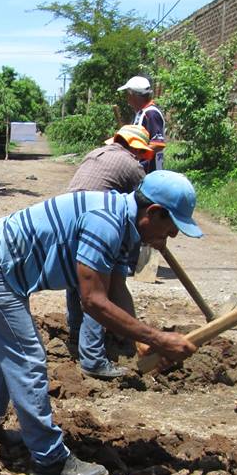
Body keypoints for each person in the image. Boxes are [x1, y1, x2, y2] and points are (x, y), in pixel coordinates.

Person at [0, 170, 202, 475]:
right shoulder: (106, 222)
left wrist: (144, 342)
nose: (172, 237)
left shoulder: (125, 224)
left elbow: (116, 288)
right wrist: (158, 337)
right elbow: (93, 301)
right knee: (27, 357)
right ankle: (50, 460)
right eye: (171, 228)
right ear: (153, 212)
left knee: (8, 350)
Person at [64, 124, 152, 379]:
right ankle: (93, 357)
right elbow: (145, 206)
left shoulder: (95, 154)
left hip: (72, 220)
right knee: (98, 291)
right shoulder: (133, 166)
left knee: (76, 281)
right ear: (137, 149)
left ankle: (76, 331)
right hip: (99, 224)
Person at [119, 76, 166, 172]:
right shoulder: (141, 113)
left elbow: (158, 144)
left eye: (127, 94)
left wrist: (136, 155)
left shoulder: (151, 114)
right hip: (140, 169)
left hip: (150, 171)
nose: (127, 98)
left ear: (133, 95)